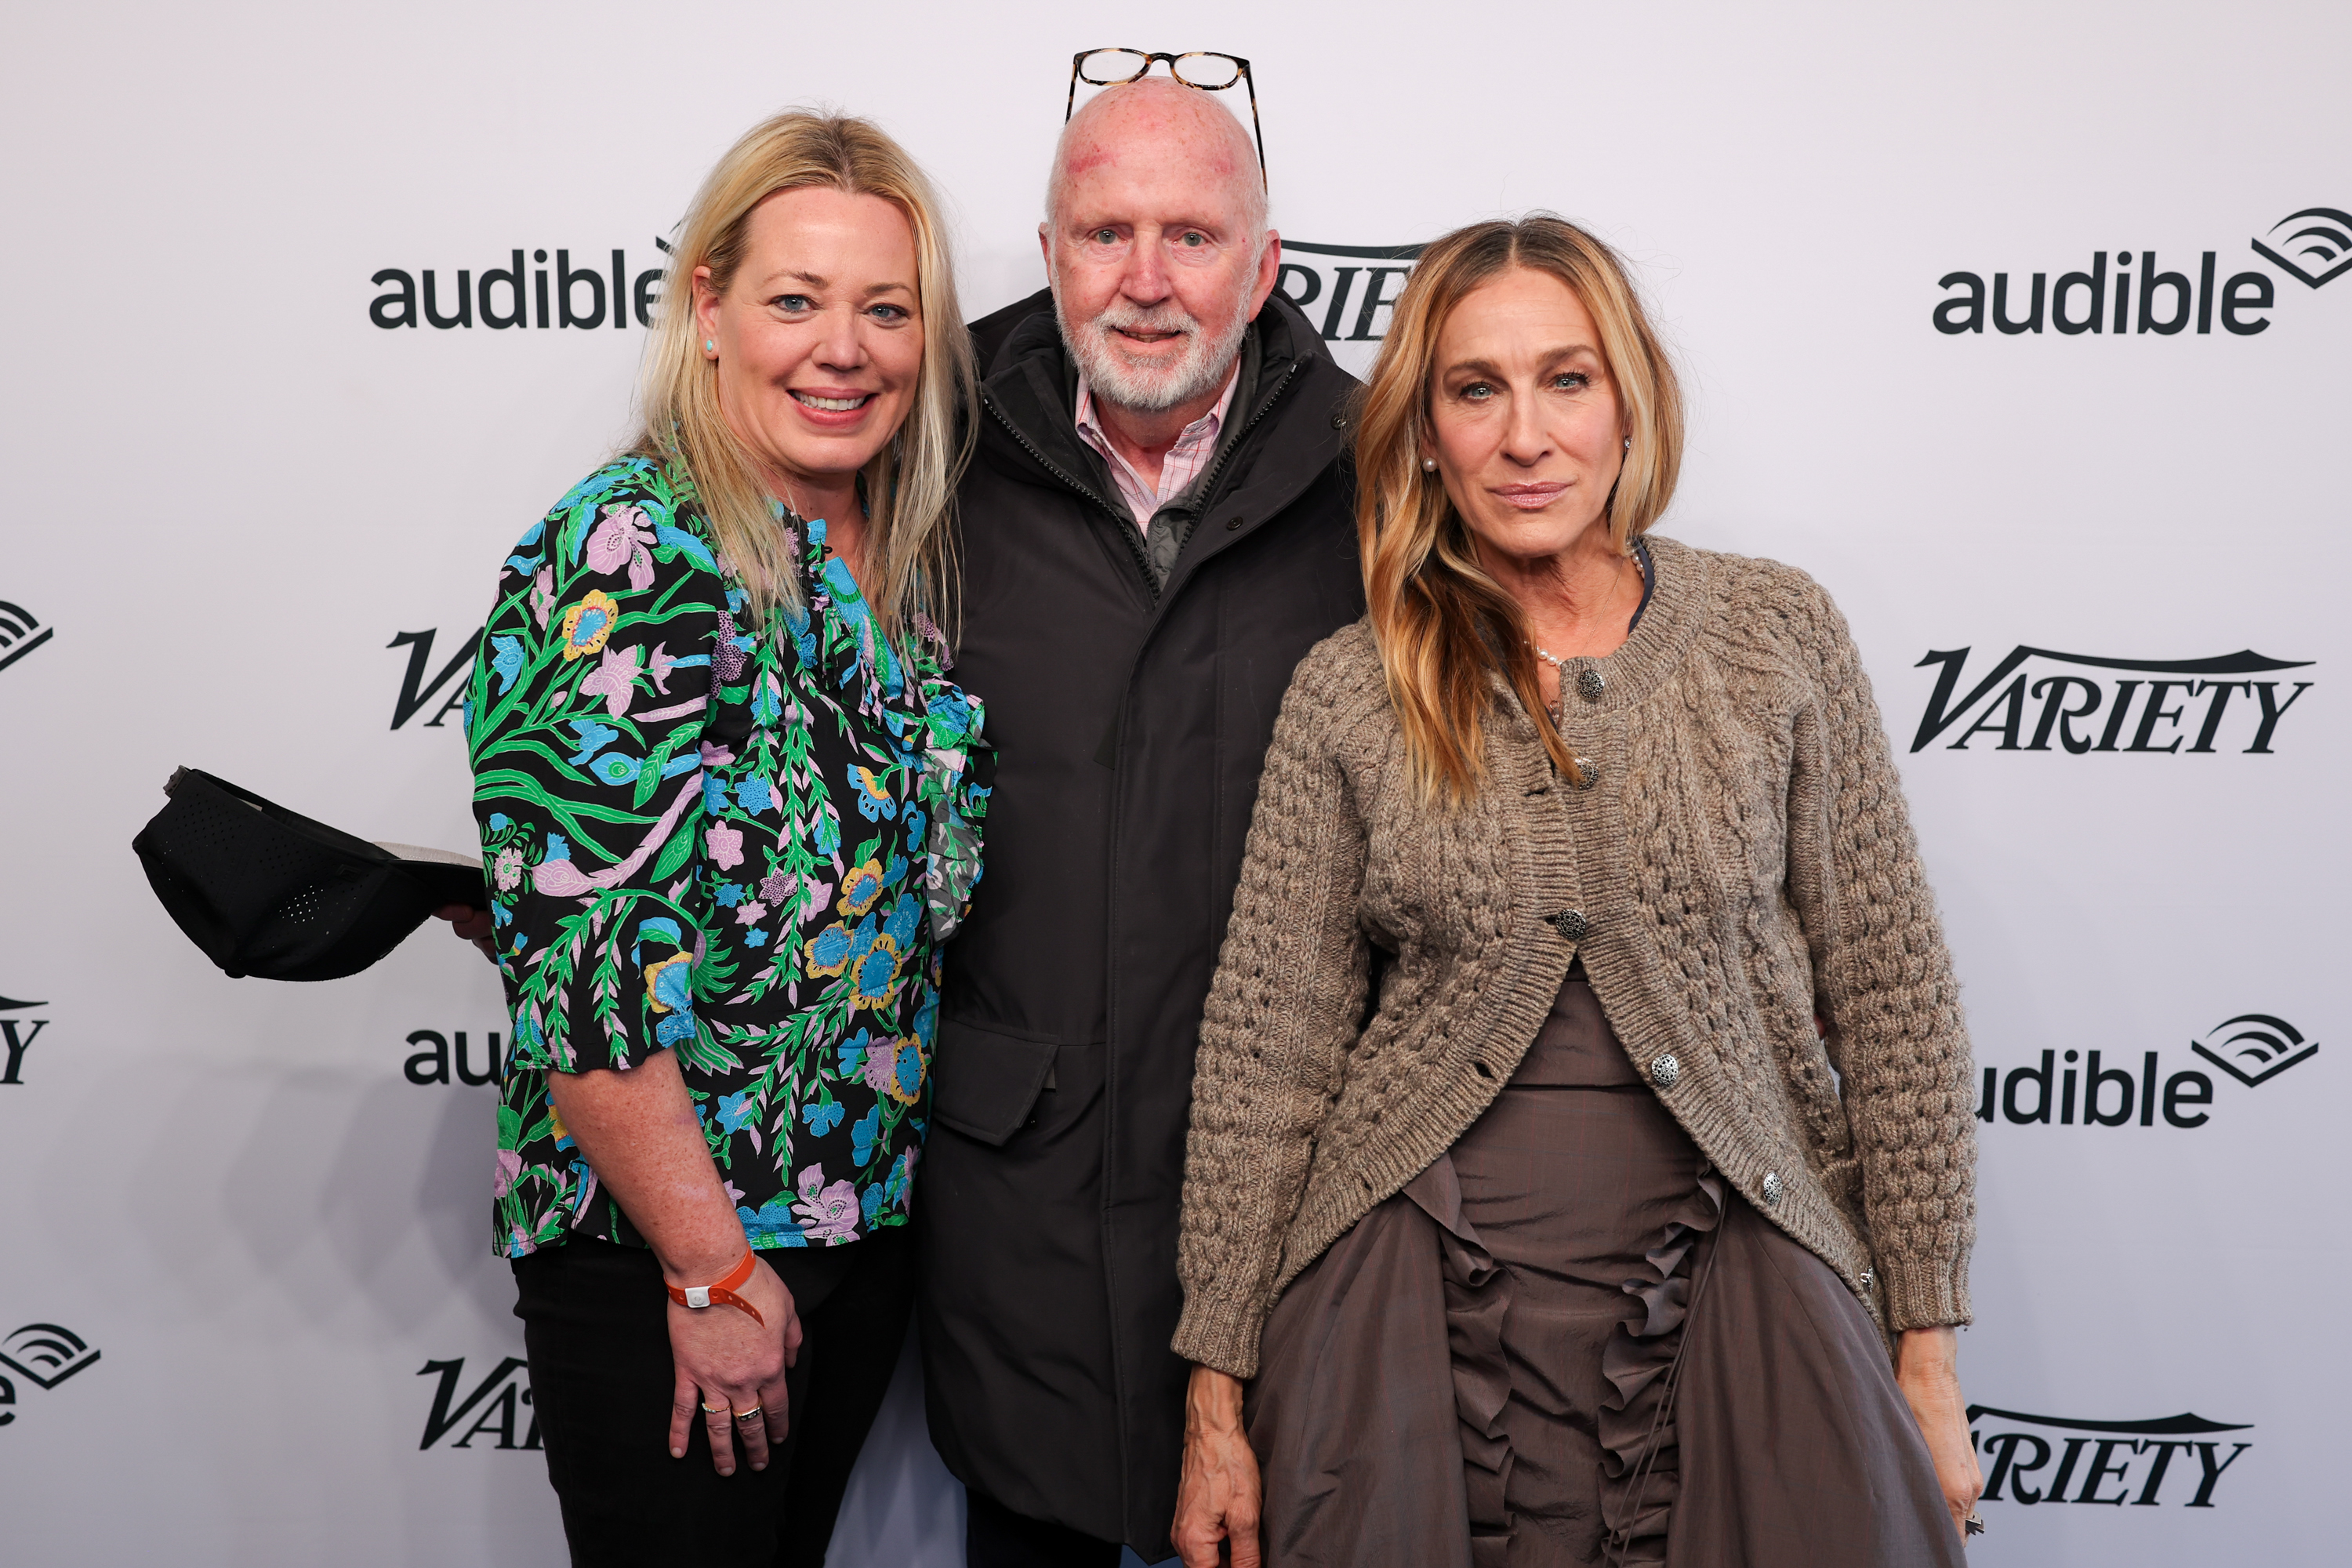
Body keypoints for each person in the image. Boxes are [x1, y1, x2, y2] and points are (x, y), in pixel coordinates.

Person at [1167, 216, 1986, 1567]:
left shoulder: (1775, 636)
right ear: (1425, 430)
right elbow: (1268, 1065)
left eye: (1567, 379)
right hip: (1407, 1302)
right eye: (1475, 389)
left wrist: (1927, 1355)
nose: (1525, 436)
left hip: (1738, 1261)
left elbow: (1892, 1006)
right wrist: (1217, 1402)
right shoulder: (1349, 686)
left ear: (1628, 403)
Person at [456, 111, 989, 1567]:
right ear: (707, 309)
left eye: (887, 309)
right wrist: (712, 1273)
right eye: (796, 300)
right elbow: (584, 975)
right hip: (673, 1260)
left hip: (854, 1231)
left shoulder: (901, 560)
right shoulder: (632, 552)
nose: (846, 347)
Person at [915, 70, 1365, 1567]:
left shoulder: (1392, 473)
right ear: (1049, 252)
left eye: (1194, 233)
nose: (1150, 281)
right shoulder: (926, 447)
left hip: (1303, 1195)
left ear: (1268, 264)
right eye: (1108, 232)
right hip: (1014, 1197)